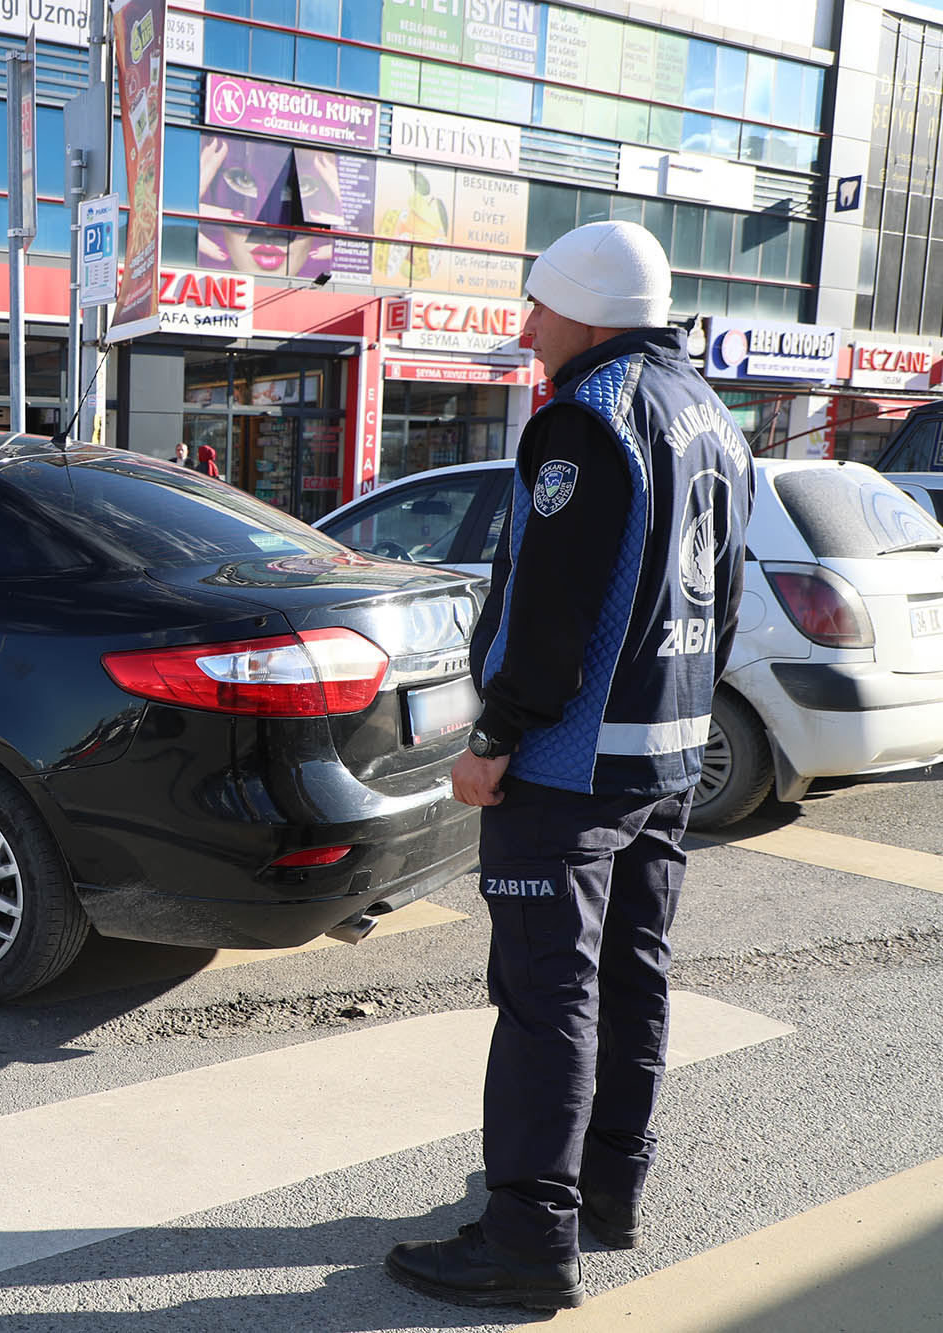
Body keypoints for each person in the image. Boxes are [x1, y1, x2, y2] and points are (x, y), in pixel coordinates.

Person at [385, 221, 753, 1311]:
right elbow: (721, 595)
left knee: (546, 996)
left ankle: (525, 1241)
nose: (525, 325)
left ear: (587, 312)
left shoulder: (582, 418)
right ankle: (605, 1189)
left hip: (566, 766)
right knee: (630, 974)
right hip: (665, 757)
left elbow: (553, 604)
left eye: (536, 306)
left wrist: (493, 740)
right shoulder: (708, 415)